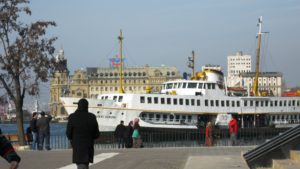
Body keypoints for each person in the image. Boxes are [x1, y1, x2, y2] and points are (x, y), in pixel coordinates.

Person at [66, 98, 100, 169]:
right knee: (85, 164)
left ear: (78, 106)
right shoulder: (92, 117)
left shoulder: (72, 117)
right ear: (87, 106)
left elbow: (68, 133)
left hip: (77, 145)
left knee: (80, 164)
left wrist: (72, 138)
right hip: (88, 145)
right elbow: (97, 134)